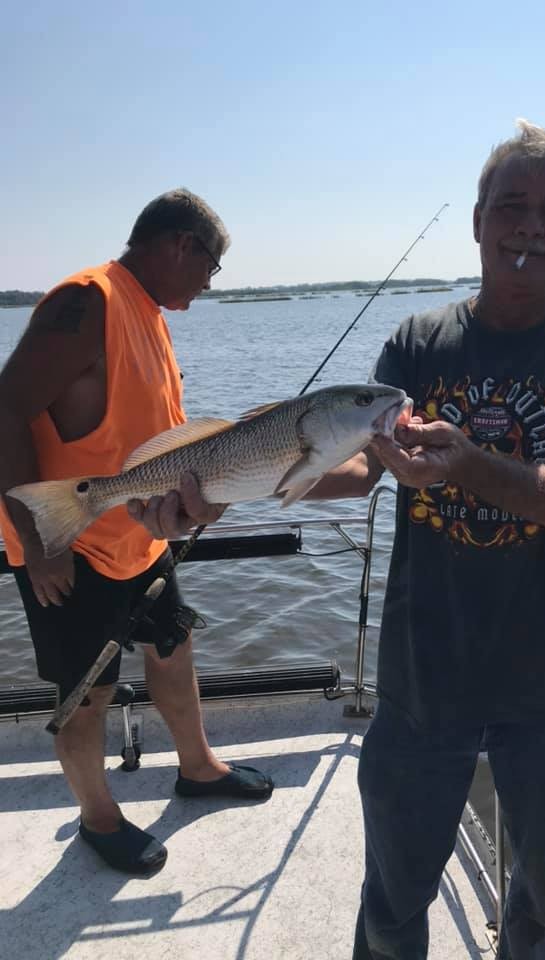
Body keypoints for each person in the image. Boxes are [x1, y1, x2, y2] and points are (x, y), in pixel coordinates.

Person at [135, 122, 545, 957]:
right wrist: (218, 497)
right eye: (511, 206)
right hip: (422, 666)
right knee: (394, 900)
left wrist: (463, 464)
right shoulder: (416, 344)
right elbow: (356, 471)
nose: (530, 227)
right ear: (478, 221)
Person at [0, 189, 274, 877]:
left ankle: (198, 768)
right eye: (211, 267)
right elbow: (2, 409)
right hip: (71, 548)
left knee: (172, 647)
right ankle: (98, 818)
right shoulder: (88, 300)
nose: (210, 285)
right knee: (85, 694)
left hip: (141, 539)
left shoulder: (149, 313)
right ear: (182, 244)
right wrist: (39, 547)